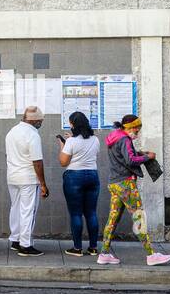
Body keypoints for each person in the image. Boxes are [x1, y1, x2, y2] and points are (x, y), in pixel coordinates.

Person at [97, 114, 170, 266]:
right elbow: (130, 160)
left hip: (114, 183)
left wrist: (139, 153)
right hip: (126, 184)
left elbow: (122, 156)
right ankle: (151, 255)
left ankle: (104, 254)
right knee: (139, 217)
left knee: (112, 220)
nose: (137, 132)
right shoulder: (125, 139)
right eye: (137, 129)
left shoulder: (114, 137)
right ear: (130, 127)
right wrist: (147, 157)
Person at [5, 106, 49, 256]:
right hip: (28, 178)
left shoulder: (12, 131)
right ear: (35, 120)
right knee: (28, 211)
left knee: (16, 208)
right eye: (41, 121)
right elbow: (37, 161)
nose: (41, 123)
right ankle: (26, 245)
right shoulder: (32, 134)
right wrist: (43, 183)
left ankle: (16, 240)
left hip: (13, 176)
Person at [58, 110, 100, 256]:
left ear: (72, 124)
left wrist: (63, 146)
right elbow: (88, 150)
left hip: (74, 177)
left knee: (76, 214)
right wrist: (72, 140)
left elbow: (63, 162)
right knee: (91, 213)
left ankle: (77, 248)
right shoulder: (95, 139)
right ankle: (93, 247)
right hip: (93, 176)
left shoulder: (70, 142)